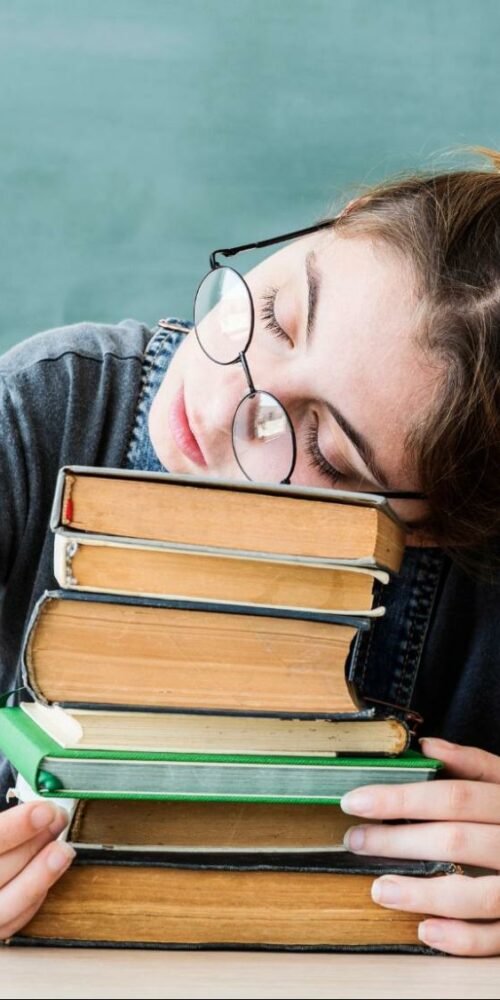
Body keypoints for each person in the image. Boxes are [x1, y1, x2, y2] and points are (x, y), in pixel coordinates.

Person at [1, 146, 500, 955]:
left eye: (328, 452)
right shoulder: (34, 415)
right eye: (275, 314)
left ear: (432, 527)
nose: (227, 392)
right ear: (329, 229)